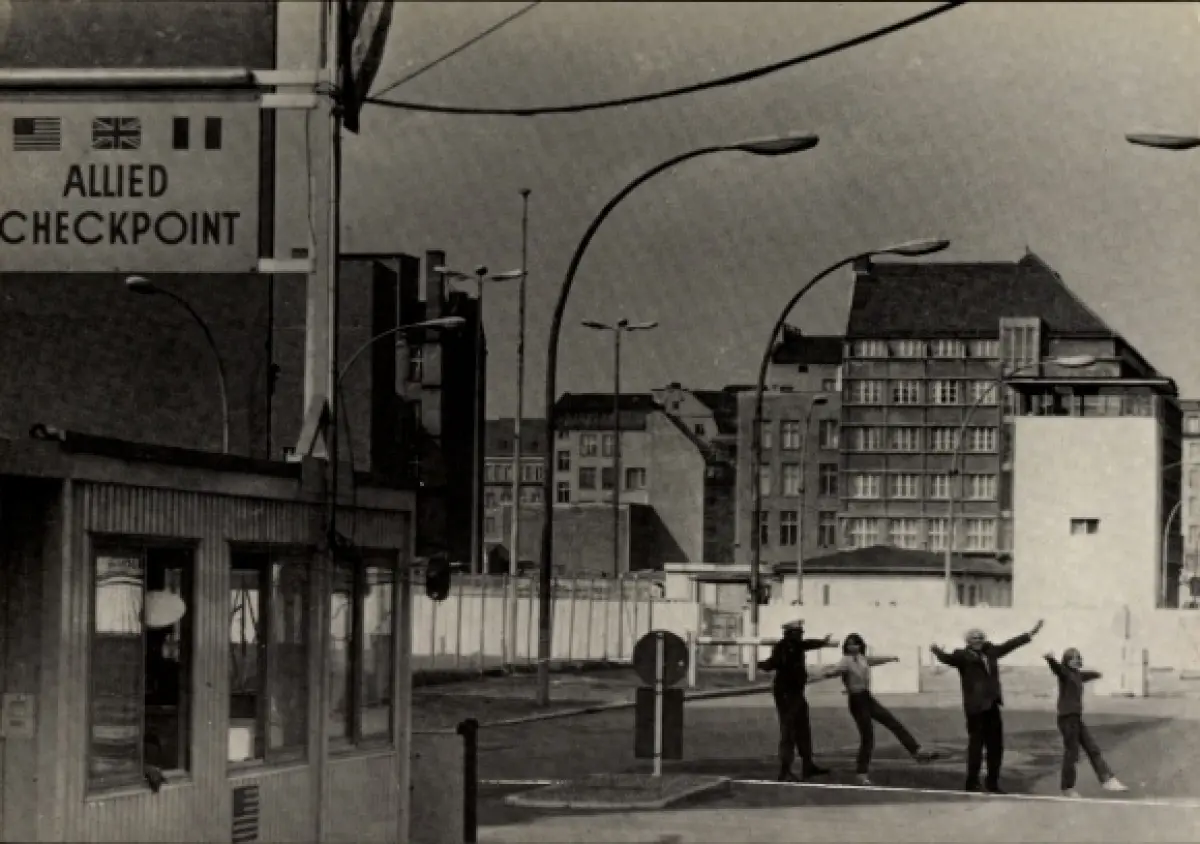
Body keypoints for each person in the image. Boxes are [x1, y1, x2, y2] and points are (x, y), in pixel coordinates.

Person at [930, 619, 1043, 793]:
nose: (978, 640)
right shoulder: (962, 656)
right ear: (968, 641)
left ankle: (992, 783)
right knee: (976, 746)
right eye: (974, 638)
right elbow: (947, 659)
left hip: (992, 705)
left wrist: (1031, 633)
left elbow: (1010, 645)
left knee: (996, 746)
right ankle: (972, 783)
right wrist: (936, 650)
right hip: (975, 708)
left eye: (981, 637)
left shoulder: (991, 652)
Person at [821, 633, 938, 786]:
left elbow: (874, 660)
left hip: (867, 697)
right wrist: (828, 673)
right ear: (846, 647)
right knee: (868, 737)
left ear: (860, 645)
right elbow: (836, 670)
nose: (852, 647)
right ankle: (861, 773)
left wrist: (890, 658)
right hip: (856, 700)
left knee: (892, 722)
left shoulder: (862, 658)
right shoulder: (846, 660)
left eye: (855, 644)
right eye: (849, 644)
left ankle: (917, 752)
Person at [757, 618, 836, 782]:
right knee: (789, 730)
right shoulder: (783, 647)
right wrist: (761, 664)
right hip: (786, 693)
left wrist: (822, 642)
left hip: (796, 692)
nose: (800, 635)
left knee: (803, 728)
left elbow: (809, 644)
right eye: (798, 633)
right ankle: (785, 769)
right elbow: (774, 663)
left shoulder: (796, 646)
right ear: (790, 633)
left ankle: (807, 765)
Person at [1043, 648, 1128, 797]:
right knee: (1072, 753)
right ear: (1067, 661)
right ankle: (1067, 788)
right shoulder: (1064, 673)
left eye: (1078, 658)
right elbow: (1057, 668)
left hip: (1076, 719)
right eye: (1073, 658)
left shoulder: (1077, 675)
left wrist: (1100, 673)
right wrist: (1050, 659)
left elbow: (1088, 675)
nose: (1076, 661)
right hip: (1067, 719)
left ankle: (1107, 780)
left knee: (1092, 748)